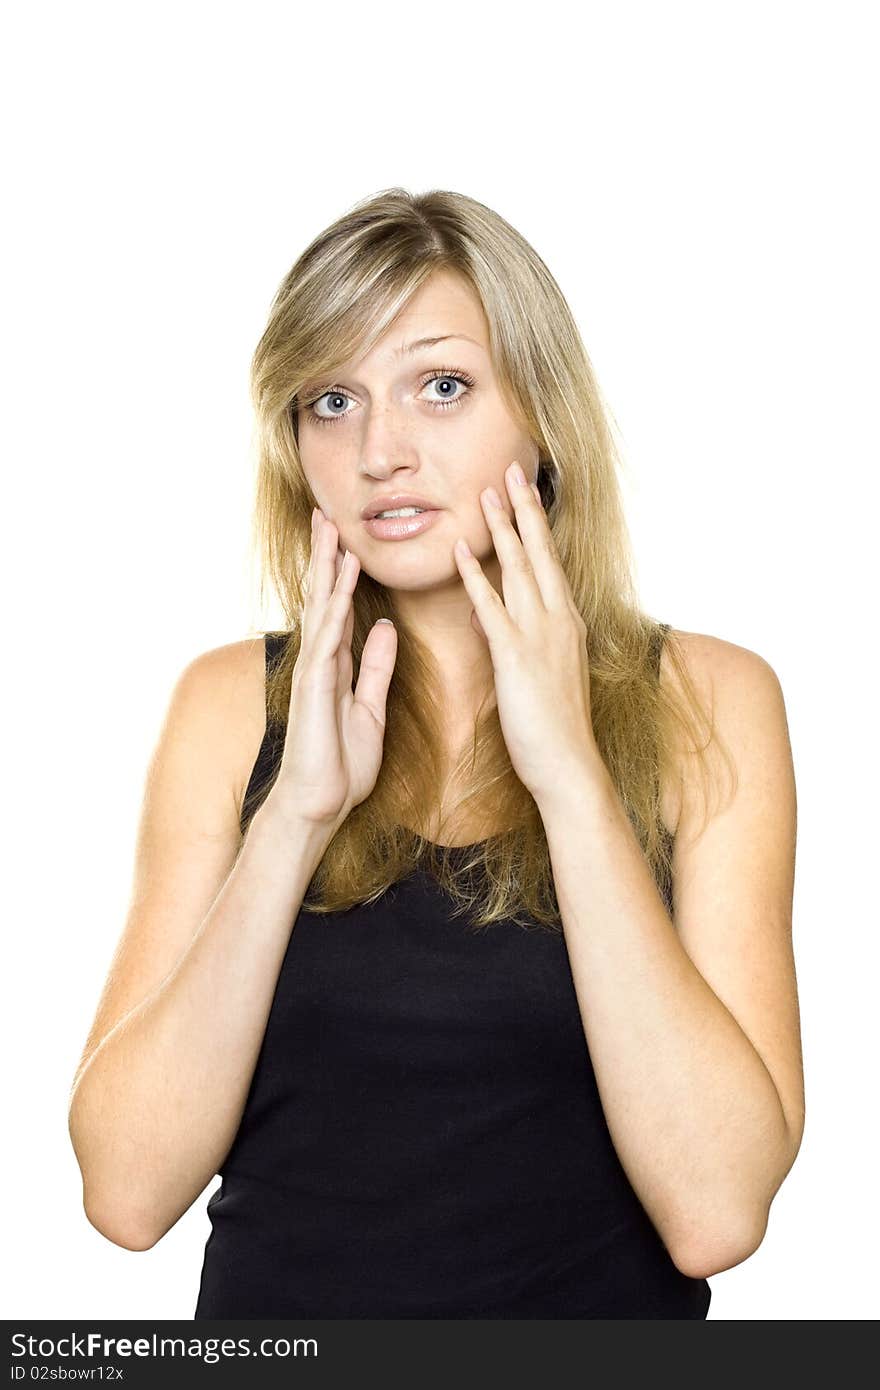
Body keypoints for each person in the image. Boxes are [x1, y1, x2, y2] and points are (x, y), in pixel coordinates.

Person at [67, 187, 804, 1319]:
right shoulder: (227, 708)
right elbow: (124, 1193)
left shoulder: (709, 702)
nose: (379, 451)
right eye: (333, 399)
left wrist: (570, 780)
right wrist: (293, 820)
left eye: (442, 386)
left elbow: (715, 1212)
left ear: (541, 414)